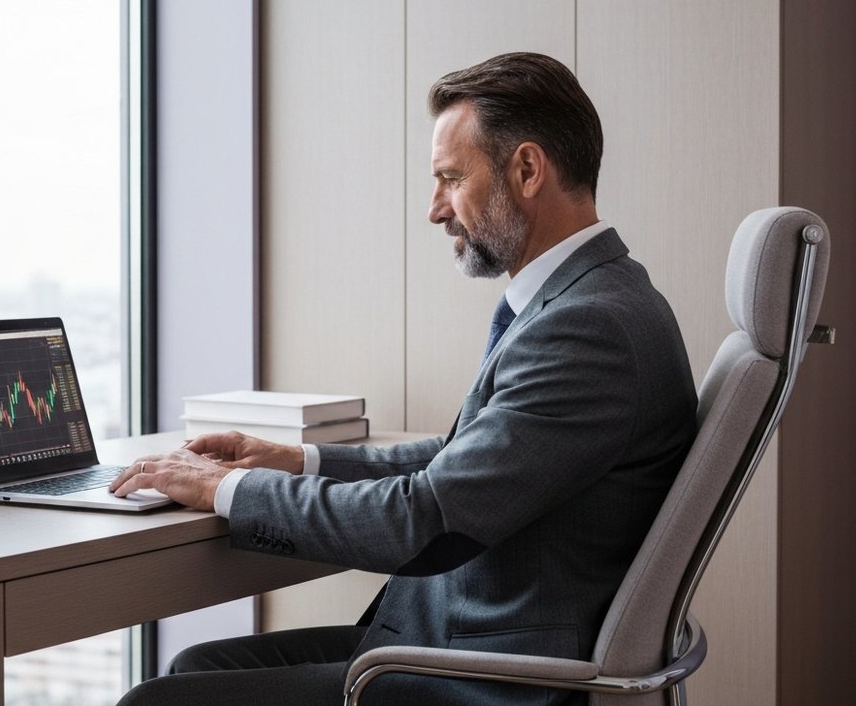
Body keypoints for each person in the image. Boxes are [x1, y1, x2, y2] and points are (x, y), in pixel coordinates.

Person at [108, 52, 697, 706]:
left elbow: (424, 519)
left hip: (494, 676)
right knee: (193, 668)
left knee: (155, 702)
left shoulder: (589, 327)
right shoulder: (590, 299)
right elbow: (459, 464)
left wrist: (225, 487)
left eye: (450, 178)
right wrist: (294, 460)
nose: (434, 210)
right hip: (472, 637)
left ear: (527, 169)